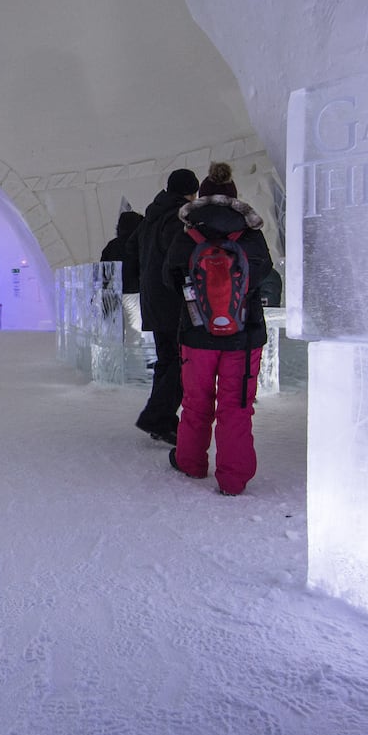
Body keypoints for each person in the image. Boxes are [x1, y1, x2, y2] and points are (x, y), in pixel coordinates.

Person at [162, 162, 273, 495]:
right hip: (244, 335)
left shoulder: (188, 233)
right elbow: (263, 274)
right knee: (236, 406)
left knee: (196, 401)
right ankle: (233, 478)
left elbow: (170, 279)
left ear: (203, 198)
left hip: (196, 335)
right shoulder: (250, 234)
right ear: (234, 198)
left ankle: (191, 462)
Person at [125, 168, 199, 446]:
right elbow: (179, 257)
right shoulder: (179, 217)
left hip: (154, 299)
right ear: (190, 191)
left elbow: (131, 250)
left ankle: (163, 421)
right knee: (181, 363)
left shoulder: (152, 216)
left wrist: (141, 284)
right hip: (173, 300)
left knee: (167, 360)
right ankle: (157, 417)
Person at [99, 208, 144, 332]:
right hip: (134, 291)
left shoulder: (111, 245)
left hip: (113, 292)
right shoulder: (139, 244)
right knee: (136, 331)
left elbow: (102, 271)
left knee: (114, 330)